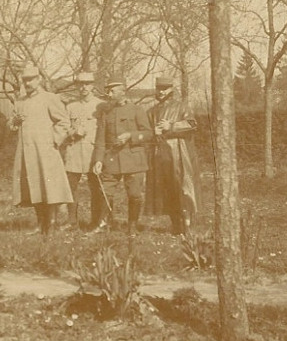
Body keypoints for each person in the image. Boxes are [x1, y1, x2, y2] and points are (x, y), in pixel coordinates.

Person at [10, 63, 73, 235]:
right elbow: (12, 124)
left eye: (31, 79)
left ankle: (51, 224)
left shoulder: (50, 98)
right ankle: (40, 224)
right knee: (33, 186)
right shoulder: (20, 101)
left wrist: (54, 140)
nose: (28, 83)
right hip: (26, 152)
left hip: (46, 151)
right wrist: (15, 122)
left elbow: (64, 122)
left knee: (49, 187)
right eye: (25, 80)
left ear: (39, 80)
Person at [91, 79, 154, 235]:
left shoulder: (137, 110)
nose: (109, 94)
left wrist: (130, 136)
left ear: (122, 92)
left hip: (134, 159)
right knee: (105, 192)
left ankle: (132, 226)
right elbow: (100, 140)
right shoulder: (106, 113)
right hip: (112, 159)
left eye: (113, 91)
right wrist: (98, 160)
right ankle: (104, 224)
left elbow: (148, 133)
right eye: (108, 91)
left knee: (134, 194)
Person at [146, 76, 201, 236]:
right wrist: (153, 133)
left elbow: (192, 125)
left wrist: (172, 126)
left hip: (179, 154)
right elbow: (147, 133)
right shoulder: (152, 111)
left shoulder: (182, 107)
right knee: (166, 189)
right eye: (159, 89)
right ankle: (176, 225)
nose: (161, 92)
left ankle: (188, 225)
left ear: (171, 90)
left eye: (165, 89)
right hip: (160, 155)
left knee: (182, 188)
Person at [61, 70, 102, 230]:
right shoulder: (71, 106)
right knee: (71, 187)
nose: (84, 87)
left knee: (97, 188)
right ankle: (72, 221)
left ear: (93, 85)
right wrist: (73, 132)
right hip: (74, 152)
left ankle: (97, 221)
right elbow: (63, 129)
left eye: (87, 83)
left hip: (93, 153)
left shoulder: (100, 105)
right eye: (80, 83)